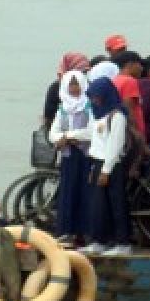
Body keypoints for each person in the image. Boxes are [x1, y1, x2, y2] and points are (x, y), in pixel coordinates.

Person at [82, 78, 132, 256]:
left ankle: (123, 243)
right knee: (99, 206)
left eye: (97, 96)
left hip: (111, 165)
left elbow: (114, 145)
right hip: (97, 163)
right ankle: (99, 240)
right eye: (92, 97)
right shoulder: (98, 114)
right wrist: (93, 169)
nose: (94, 100)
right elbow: (95, 142)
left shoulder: (117, 115)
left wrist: (106, 170)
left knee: (116, 204)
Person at [48, 70, 93, 246]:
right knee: (68, 193)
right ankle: (67, 232)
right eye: (71, 85)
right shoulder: (62, 108)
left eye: (77, 84)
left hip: (86, 156)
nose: (74, 88)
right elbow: (53, 132)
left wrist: (68, 136)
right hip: (69, 156)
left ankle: (87, 232)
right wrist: (64, 138)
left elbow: (91, 131)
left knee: (86, 194)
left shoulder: (89, 105)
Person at [42, 52, 90, 130]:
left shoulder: (88, 87)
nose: (83, 75)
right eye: (82, 72)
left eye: (85, 72)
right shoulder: (55, 88)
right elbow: (49, 116)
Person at [111, 51, 147, 139]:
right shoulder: (129, 81)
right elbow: (128, 110)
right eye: (139, 65)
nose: (142, 69)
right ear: (130, 64)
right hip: (130, 135)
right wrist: (137, 135)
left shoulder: (115, 80)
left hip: (119, 131)